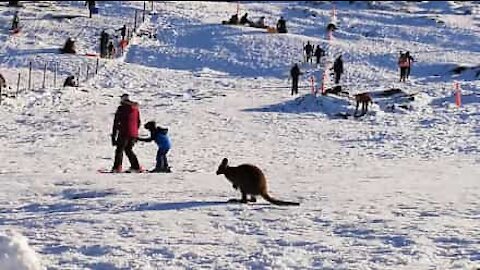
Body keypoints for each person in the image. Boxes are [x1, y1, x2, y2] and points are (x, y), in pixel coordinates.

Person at [111, 94, 142, 173]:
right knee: (128, 149)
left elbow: (116, 123)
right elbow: (138, 122)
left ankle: (117, 167)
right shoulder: (135, 109)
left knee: (119, 150)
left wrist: (114, 137)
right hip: (133, 133)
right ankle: (136, 166)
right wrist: (135, 132)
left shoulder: (121, 109)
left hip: (124, 132)